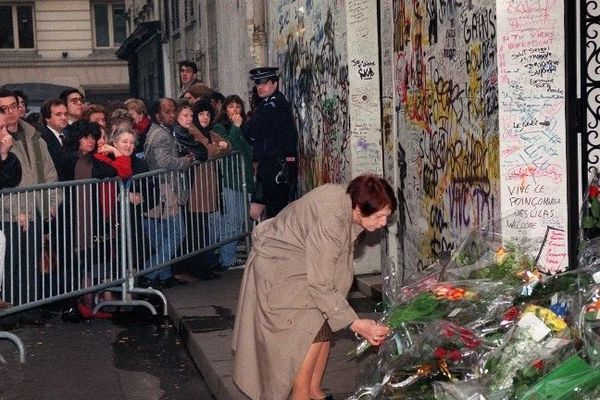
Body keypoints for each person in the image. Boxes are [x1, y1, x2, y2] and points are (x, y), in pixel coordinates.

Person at [232, 174, 396, 400]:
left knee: (324, 327)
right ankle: (301, 396)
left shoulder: (349, 197)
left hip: (301, 265)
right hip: (281, 271)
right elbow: (320, 284)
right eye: (379, 216)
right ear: (359, 208)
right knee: (308, 334)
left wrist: (340, 310)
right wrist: (356, 323)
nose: (383, 223)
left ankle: (313, 391)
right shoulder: (332, 219)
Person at [243, 67, 298, 220]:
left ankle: (274, 243)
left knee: (276, 213)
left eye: (264, 83)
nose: (260, 87)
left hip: (277, 167)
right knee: (255, 211)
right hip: (266, 167)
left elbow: (250, 130)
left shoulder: (276, 106)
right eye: (258, 84)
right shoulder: (265, 105)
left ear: (275, 84)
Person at [213, 95, 254, 269]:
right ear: (225, 109)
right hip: (231, 179)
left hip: (243, 179)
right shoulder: (220, 127)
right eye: (231, 107)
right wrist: (236, 128)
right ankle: (227, 258)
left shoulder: (244, 127)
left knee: (239, 219)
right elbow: (229, 146)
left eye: (238, 107)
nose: (235, 110)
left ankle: (228, 256)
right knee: (232, 219)